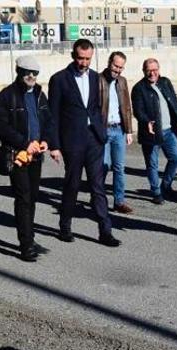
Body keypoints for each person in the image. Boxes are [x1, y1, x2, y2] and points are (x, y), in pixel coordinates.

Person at [47, 38, 120, 247]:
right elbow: (54, 115)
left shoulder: (96, 78)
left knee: (98, 186)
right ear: (73, 55)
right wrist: (55, 145)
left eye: (88, 59)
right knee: (73, 184)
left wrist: (101, 131)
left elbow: (96, 107)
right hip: (72, 141)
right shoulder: (59, 79)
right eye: (81, 58)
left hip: (94, 139)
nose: (84, 63)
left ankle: (105, 231)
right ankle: (65, 226)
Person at [0, 56, 55, 262]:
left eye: (34, 73)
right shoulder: (6, 96)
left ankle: (30, 238)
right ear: (18, 71)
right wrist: (23, 143)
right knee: (24, 198)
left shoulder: (39, 94)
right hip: (17, 155)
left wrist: (46, 140)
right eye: (26, 72)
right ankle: (25, 245)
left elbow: (48, 121)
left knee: (33, 198)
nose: (31, 76)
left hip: (36, 155)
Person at [131, 58, 177, 205]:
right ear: (144, 71)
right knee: (152, 164)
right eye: (149, 70)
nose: (152, 73)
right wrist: (146, 121)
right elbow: (138, 111)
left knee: (175, 158)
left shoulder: (165, 82)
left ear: (159, 69)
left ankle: (166, 186)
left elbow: (174, 101)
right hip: (151, 132)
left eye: (155, 69)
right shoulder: (139, 88)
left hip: (169, 130)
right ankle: (156, 192)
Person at [98, 51, 135, 214]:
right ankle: (98, 199)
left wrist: (129, 131)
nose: (118, 70)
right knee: (103, 166)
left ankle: (119, 201)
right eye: (115, 66)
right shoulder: (97, 80)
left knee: (119, 167)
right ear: (109, 63)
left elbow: (127, 106)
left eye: (121, 67)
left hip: (119, 129)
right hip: (103, 130)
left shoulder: (122, 81)